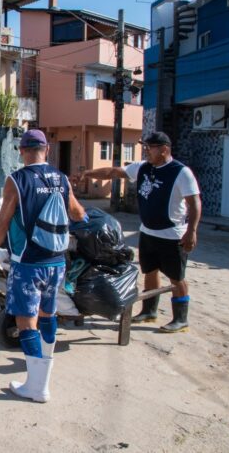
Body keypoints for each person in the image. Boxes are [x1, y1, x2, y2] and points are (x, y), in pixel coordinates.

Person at [0, 129, 87, 402]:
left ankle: (37, 387)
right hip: (56, 262)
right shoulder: (61, 178)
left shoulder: (16, 180)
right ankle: (43, 375)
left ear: (22, 151)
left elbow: (2, 223)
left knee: (26, 322)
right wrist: (83, 220)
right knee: (48, 315)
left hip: (28, 263)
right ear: (46, 149)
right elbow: (77, 213)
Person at [76, 131, 201, 333]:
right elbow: (113, 172)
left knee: (176, 276)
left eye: (150, 148)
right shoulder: (143, 167)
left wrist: (192, 231)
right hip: (148, 232)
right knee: (149, 271)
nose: (146, 151)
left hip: (172, 234)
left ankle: (181, 318)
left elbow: (194, 203)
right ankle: (149, 311)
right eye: (145, 147)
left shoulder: (181, 172)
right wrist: (87, 173)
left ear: (164, 150)